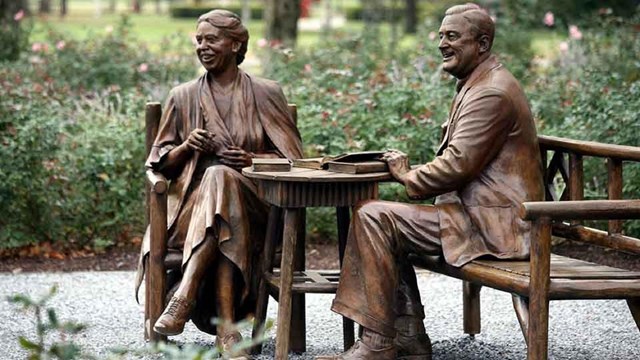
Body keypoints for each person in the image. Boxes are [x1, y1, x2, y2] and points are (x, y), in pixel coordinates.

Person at [317, 3, 543, 360]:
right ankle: (408, 337)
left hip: (496, 229)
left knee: (376, 216)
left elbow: (456, 166)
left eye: (452, 36)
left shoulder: (491, 92)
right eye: (440, 35)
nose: (441, 43)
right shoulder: (482, 81)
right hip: (478, 218)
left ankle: (378, 345)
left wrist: (408, 174)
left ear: (482, 44)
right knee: (380, 219)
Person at [134, 9, 303, 355]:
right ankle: (227, 328)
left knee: (222, 178)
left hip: (257, 208)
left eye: (211, 39)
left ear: (236, 44)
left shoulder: (266, 93)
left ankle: (184, 294)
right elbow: (157, 162)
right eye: (199, 40)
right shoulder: (182, 97)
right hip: (191, 213)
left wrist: (252, 159)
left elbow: (295, 160)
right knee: (217, 182)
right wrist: (186, 146)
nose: (202, 46)